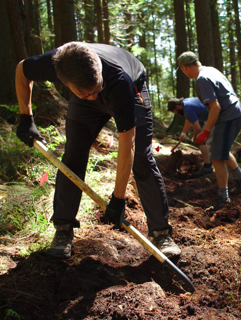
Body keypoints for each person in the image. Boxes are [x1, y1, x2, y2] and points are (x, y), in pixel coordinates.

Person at [15, 41, 181, 259]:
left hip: (129, 88)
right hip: (85, 99)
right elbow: (21, 69)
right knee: (73, 156)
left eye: (95, 90)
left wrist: (118, 198)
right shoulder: (54, 64)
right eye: (86, 93)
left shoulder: (118, 79)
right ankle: (63, 230)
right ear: (65, 82)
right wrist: (26, 117)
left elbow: (127, 143)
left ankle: (161, 233)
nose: (93, 96)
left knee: (142, 158)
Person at [176, 51, 241, 213]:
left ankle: (223, 198)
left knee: (217, 157)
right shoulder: (211, 70)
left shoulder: (202, 79)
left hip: (228, 116)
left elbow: (215, 107)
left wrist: (206, 131)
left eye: (183, 70)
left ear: (184, 68)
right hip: (234, 113)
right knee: (222, 151)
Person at [167, 97, 213, 177]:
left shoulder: (187, 109)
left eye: (175, 111)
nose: (176, 113)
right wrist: (184, 132)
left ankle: (207, 166)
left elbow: (197, 128)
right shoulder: (186, 102)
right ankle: (211, 161)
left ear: (177, 107)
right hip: (213, 117)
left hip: (215, 118)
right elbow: (189, 119)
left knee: (201, 139)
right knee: (205, 139)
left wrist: (195, 138)